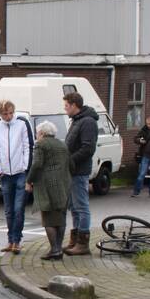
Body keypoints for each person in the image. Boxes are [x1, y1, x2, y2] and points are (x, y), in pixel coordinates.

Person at [25, 121, 72, 261]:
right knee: (60, 218)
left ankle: (55, 250)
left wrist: (29, 180)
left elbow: (37, 164)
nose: (36, 136)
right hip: (64, 184)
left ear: (42, 133)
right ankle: (58, 249)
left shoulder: (41, 144)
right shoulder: (62, 144)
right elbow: (71, 164)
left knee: (48, 219)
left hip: (47, 185)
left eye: (37, 133)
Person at [0, 100, 33, 254]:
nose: (8, 116)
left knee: (18, 209)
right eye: (5, 114)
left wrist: (25, 167)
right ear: (0, 114)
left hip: (20, 172)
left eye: (10, 113)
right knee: (9, 210)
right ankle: (10, 241)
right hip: (5, 174)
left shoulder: (22, 123)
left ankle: (16, 241)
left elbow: (28, 146)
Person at [63, 91, 98, 256]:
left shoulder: (88, 122)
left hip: (79, 170)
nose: (65, 109)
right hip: (72, 170)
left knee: (81, 206)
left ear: (74, 105)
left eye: (66, 105)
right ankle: (75, 240)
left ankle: (83, 243)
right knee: (74, 207)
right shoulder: (77, 120)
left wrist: (71, 160)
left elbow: (88, 148)